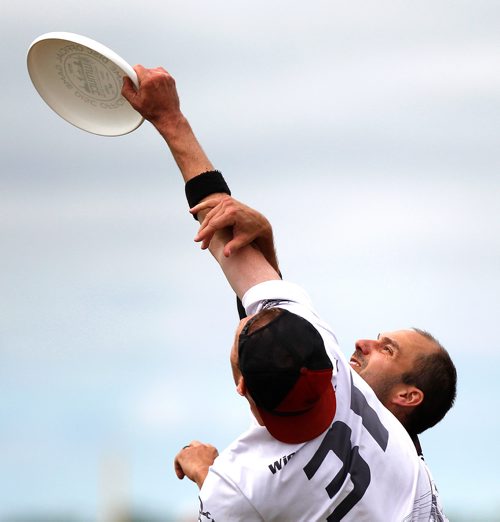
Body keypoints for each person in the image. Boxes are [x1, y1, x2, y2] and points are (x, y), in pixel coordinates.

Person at [122, 66, 457, 521]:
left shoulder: (240, 482)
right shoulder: (342, 377)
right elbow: (240, 258)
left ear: (243, 389)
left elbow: (232, 250)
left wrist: (171, 120)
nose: (364, 343)